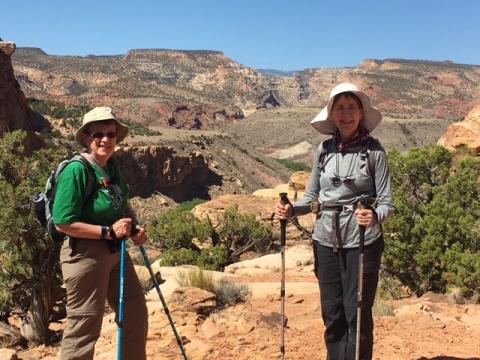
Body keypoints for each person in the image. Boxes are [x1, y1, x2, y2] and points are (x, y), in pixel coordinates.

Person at [275, 83, 394, 360]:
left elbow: (387, 203)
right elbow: (312, 196)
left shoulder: (375, 152)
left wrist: (374, 216)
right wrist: (292, 210)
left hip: (363, 242)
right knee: (332, 313)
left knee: (358, 315)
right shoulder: (324, 149)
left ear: (361, 112)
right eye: (340, 108)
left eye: (352, 107)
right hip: (325, 240)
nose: (346, 114)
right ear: (331, 113)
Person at [53, 106, 149, 360]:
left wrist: (135, 227)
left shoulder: (112, 166)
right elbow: (62, 222)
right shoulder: (77, 170)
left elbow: (121, 203)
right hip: (84, 255)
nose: (105, 139)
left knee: (135, 313)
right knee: (85, 328)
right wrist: (108, 232)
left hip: (116, 251)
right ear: (86, 137)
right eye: (98, 134)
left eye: (111, 134)